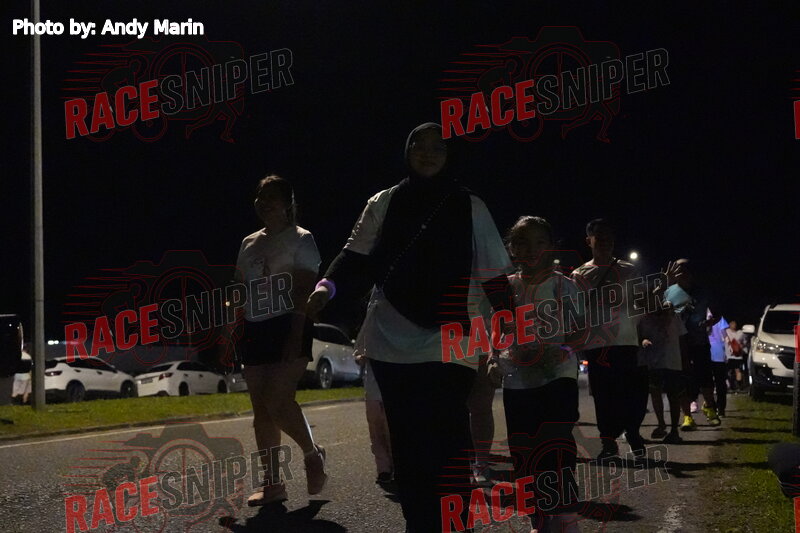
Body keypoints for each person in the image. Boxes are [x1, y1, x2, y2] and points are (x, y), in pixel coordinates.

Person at [306, 122, 514, 532]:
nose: (429, 153)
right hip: (391, 339)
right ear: (407, 150)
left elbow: (493, 275)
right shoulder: (383, 202)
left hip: (453, 339)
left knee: (448, 435)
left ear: (449, 156)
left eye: (439, 147)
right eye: (420, 145)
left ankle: (453, 522)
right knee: (407, 439)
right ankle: (418, 522)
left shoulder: (470, 205)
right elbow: (354, 257)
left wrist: (508, 330)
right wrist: (324, 288)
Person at [232, 175, 328, 506]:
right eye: (260, 196)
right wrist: (230, 331)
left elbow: (303, 291)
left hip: (289, 322)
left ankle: (312, 454)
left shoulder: (302, 239)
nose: (264, 202)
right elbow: (239, 289)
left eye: (272, 196)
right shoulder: (248, 243)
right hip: (254, 328)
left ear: (288, 203)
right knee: (261, 410)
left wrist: (295, 335)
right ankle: (273, 485)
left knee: (278, 401)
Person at [491, 216, 581, 533]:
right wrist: (493, 359)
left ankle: (566, 516)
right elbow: (496, 332)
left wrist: (563, 349)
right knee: (523, 452)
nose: (532, 250)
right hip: (517, 380)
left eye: (540, 242)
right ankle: (539, 517)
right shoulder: (505, 288)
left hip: (558, 376)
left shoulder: (564, 285)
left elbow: (581, 330)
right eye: (522, 243)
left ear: (551, 247)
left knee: (557, 446)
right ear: (511, 249)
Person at [571, 219, 649, 458]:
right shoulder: (579, 275)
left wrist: (643, 333)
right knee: (603, 395)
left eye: (609, 237)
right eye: (599, 236)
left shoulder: (628, 270)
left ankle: (632, 432)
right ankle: (608, 442)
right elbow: (575, 311)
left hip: (626, 341)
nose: (605, 241)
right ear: (589, 240)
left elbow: (642, 303)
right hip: (597, 344)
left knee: (632, 392)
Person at [663, 259, 722, 430]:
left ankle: (710, 407)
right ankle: (687, 417)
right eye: (678, 269)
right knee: (682, 380)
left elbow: (717, 314)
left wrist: (709, 322)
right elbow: (657, 310)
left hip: (699, 340)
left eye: (685, 269)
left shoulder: (702, 292)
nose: (681, 272)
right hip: (678, 341)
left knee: (705, 376)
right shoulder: (669, 291)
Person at [638, 302, 686, 444]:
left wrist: (685, 360)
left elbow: (682, 337)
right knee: (656, 392)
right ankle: (661, 424)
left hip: (672, 360)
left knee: (673, 395)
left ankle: (674, 430)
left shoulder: (674, 316)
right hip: (654, 361)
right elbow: (639, 336)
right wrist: (643, 341)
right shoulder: (645, 317)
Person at [709, 314, 729, 416]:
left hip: (711, 353)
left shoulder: (718, 317)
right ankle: (719, 408)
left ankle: (716, 407)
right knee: (719, 383)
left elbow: (725, 335)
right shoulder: (719, 317)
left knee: (711, 383)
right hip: (716, 353)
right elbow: (725, 335)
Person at [724, 320, 747, 393]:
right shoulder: (728, 332)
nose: (733, 325)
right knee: (730, 371)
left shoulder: (739, 333)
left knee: (736, 370)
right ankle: (732, 386)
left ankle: (737, 386)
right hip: (730, 356)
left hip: (736, 356)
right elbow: (745, 343)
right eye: (732, 323)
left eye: (734, 323)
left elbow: (744, 343)